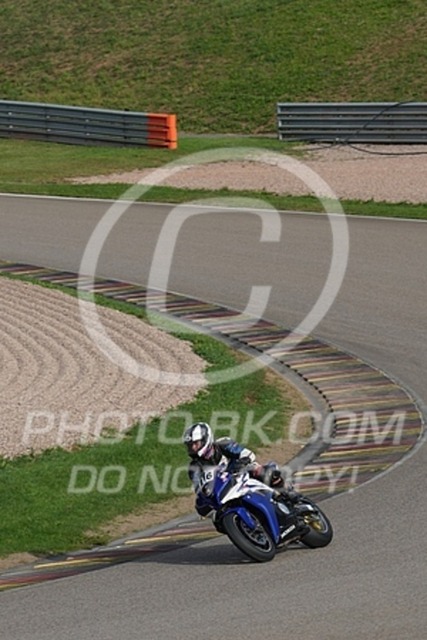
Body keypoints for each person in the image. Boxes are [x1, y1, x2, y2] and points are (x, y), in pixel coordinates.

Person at [183, 421, 300, 516]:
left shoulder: (223, 444)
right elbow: (199, 488)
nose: (193, 448)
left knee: (261, 471)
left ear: (206, 439)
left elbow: (248, 454)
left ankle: (288, 493)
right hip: (224, 489)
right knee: (207, 511)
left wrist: (242, 462)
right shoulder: (194, 467)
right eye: (190, 445)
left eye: (196, 443)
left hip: (241, 473)